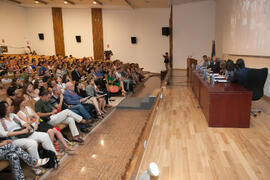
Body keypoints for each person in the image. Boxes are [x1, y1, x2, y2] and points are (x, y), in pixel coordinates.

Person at [0, 101, 56, 175]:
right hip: (14, 139)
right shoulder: (1, 121)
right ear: (2, 109)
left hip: (24, 133)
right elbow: (3, 134)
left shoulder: (13, 115)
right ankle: (36, 167)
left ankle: (54, 158)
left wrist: (27, 126)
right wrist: (21, 132)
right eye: (7, 107)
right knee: (32, 143)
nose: (9, 107)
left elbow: (22, 123)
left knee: (44, 136)